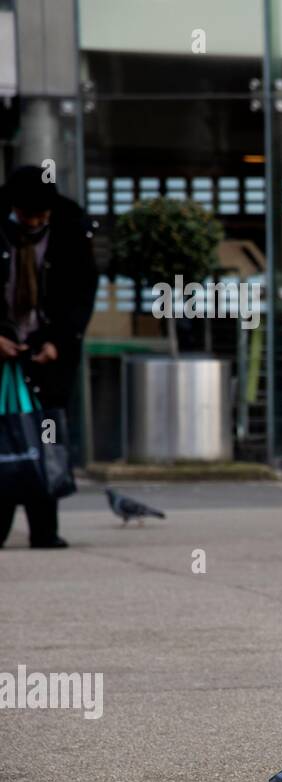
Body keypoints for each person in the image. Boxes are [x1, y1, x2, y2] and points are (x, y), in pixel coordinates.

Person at [0, 166, 99, 548]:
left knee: (47, 434)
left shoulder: (69, 232)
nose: (37, 222)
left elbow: (80, 294)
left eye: (43, 215)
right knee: (5, 436)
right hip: (4, 349)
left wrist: (59, 341)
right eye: (29, 215)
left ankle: (45, 527)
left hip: (48, 353)